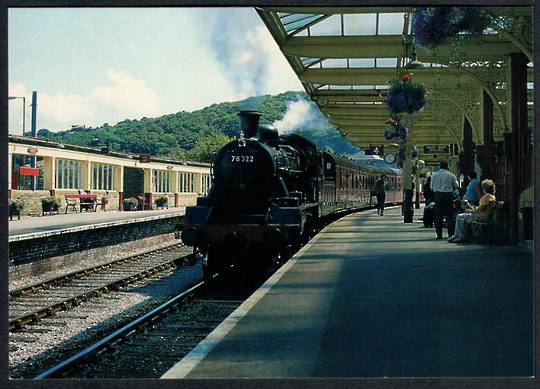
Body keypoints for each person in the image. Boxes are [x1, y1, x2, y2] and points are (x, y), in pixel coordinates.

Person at [430, 160, 459, 239]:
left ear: (440, 166)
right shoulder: (451, 175)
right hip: (448, 196)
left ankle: (439, 235)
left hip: (438, 195)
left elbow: (431, 188)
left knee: (438, 216)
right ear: (447, 166)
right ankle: (450, 234)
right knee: (449, 215)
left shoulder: (434, 175)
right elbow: (456, 186)